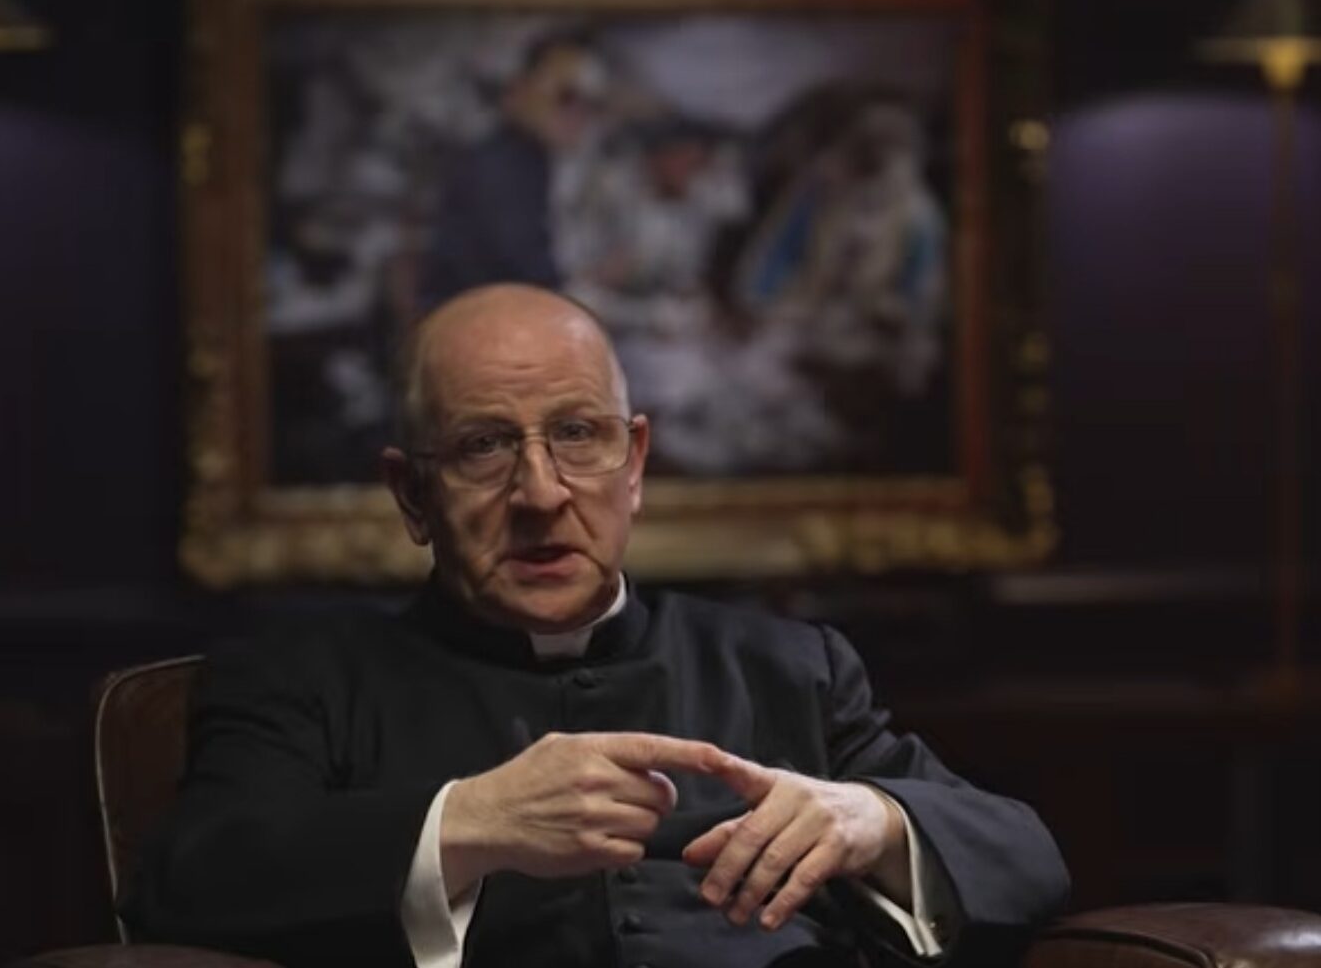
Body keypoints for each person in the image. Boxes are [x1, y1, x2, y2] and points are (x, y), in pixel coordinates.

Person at [123, 283, 1069, 967]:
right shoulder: (304, 678)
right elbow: (190, 882)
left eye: (578, 434)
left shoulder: (787, 666)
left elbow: (1026, 857)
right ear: (411, 493)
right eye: (484, 446)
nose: (541, 494)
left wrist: (872, 818)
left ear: (635, 464)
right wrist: (466, 824)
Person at [418, 35, 607, 310]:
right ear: (522, 88)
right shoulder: (499, 166)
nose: (579, 115)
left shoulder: (531, 161)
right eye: (566, 98)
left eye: (588, 104)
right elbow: (527, 269)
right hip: (475, 322)